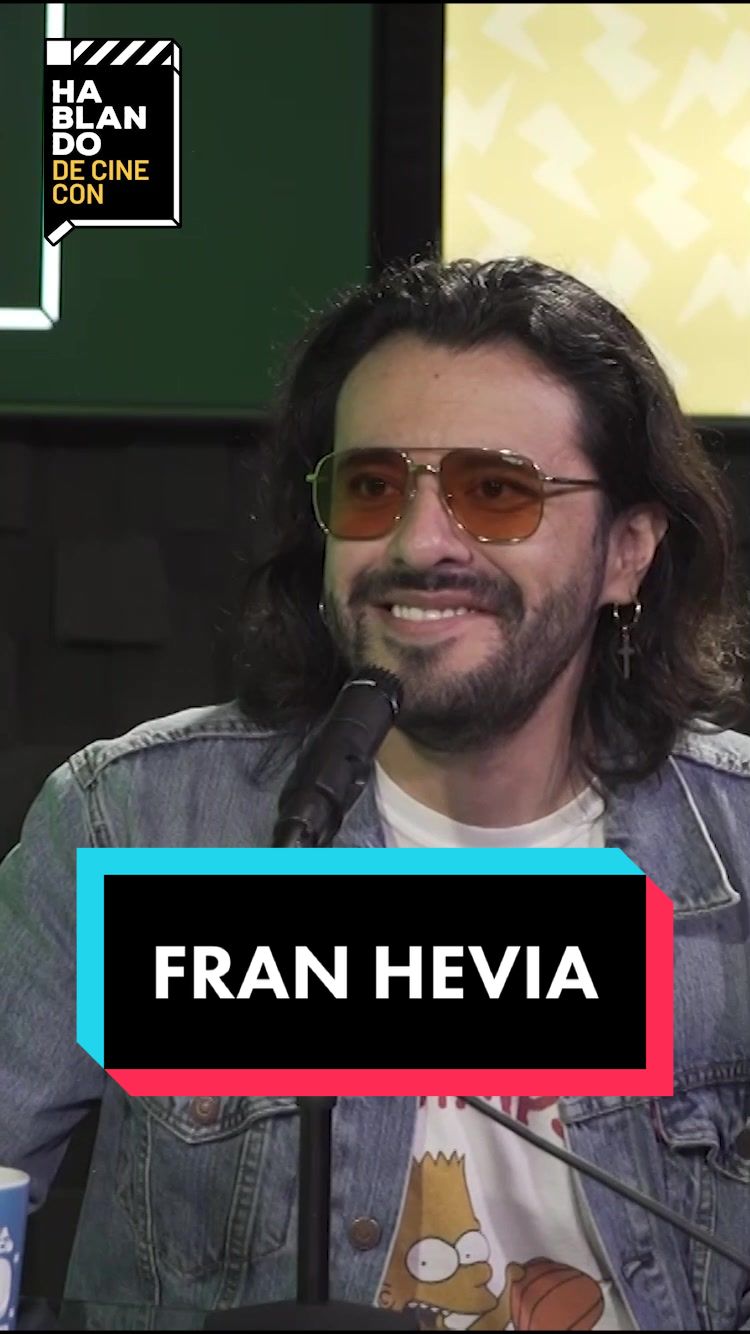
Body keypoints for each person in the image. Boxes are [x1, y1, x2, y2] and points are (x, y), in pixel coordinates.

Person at [1, 255, 750, 1332]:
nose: (418, 542)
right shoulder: (130, 829)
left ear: (627, 551)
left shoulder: (738, 843)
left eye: (495, 491)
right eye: (372, 488)